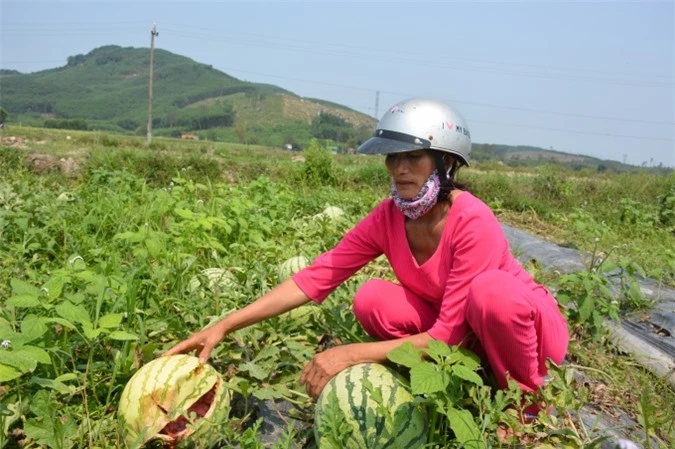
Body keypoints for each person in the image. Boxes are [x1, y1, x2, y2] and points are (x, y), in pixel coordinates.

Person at [165, 97, 570, 418]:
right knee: (373, 298)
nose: (399, 169)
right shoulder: (389, 216)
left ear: (445, 162)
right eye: (393, 157)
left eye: (413, 157)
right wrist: (225, 325)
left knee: (491, 292)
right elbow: (318, 276)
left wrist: (351, 353)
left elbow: (448, 332)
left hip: (529, 335)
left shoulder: (471, 219)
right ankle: (471, 375)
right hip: (466, 332)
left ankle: (526, 409)